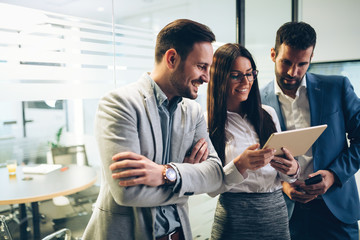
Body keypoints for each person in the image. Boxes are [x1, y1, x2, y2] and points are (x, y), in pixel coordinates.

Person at [82, 19, 245, 240]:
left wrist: (167, 174)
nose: (206, 77)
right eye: (201, 67)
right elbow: (128, 192)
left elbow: (215, 175)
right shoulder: (119, 104)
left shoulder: (194, 112)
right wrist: (187, 180)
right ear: (172, 58)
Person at [261, 21, 360, 240]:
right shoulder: (256, 101)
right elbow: (256, 159)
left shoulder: (337, 87)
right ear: (272, 54)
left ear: (311, 58)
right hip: (285, 212)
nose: (292, 72)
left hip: (336, 210)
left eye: (302, 64)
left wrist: (334, 175)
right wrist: (284, 185)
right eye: (285, 61)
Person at [207, 43, 299, 240]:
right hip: (234, 217)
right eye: (236, 75)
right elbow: (210, 188)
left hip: (275, 214)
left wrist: (292, 169)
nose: (245, 81)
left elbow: (285, 178)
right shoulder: (207, 122)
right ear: (220, 78)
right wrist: (240, 165)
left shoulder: (268, 114)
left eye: (250, 74)